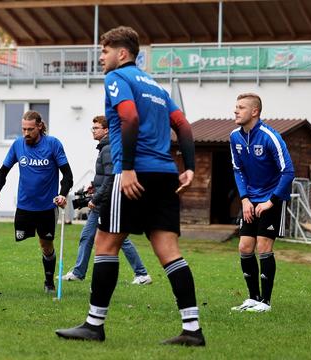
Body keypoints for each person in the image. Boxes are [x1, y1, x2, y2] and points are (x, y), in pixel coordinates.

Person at [55, 26, 204, 346]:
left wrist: (129, 168)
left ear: (122, 53)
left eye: (105, 51)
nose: (101, 57)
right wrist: (189, 167)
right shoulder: (155, 85)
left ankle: (94, 325)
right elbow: (183, 125)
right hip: (165, 173)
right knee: (169, 251)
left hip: (134, 174)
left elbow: (130, 118)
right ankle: (192, 330)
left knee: (105, 245)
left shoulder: (117, 79)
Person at [0, 110, 74, 293]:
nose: (26, 133)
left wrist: (63, 194)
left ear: (40, 127)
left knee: (45, 245)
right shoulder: (18, 145)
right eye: (23, 129)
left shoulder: (53, 144)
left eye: (30, 129)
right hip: (25, 206)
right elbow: (2, 172)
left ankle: (49, 282)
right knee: (21, 238)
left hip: (47, 206)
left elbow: (67, 174)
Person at [61, 115, 151, 285]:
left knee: (119, 239)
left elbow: (111, 177)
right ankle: (79, 272)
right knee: (87, 236)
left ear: (106, 130)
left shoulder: (108, 148)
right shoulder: (105, 147)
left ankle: (142, 274)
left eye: (95, 128)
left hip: (106, 203)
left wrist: (95, 198)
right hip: (104, 200)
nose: (92, 131)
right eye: (92, 128)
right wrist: (93, 186)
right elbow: (104, 176)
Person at [229, 93, 294, 313]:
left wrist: (272, 201)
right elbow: (238, 170)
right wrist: (245, 199)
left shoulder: (270, 137)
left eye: (241, 107)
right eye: (236, 107)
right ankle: (253, 298)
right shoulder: (234, 137)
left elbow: (288, 171)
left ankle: (265, 302)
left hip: (271, 199)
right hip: (251, 200)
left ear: (255, 111)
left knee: (264, 245)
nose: (236, 111)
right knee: (244, 247)